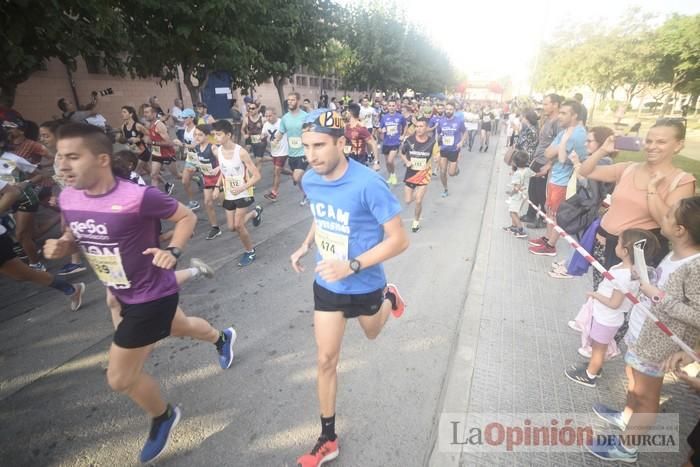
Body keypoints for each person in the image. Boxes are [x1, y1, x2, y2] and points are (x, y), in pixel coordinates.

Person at [45, 123, 237, 464]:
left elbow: (185, 217)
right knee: (183, 327)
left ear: (102, 159)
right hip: (119, 291)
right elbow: (84, 233)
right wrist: (65, 244)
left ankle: (163, 416)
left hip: (151, 296)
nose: (62, 165)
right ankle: (222, 338)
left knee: (119, 377)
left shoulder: (137, 196)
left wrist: (174, 251)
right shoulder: (69, 197)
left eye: (73, 157)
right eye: (59, 157)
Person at [290, 109, 408, 467]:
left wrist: (353, 265)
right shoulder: (310, 179)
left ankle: (390, 296)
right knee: (326, 360)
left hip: (366, 281)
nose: (311, 155)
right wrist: (306, 245)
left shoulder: (369, 183)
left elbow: (400, 240)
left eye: (320, 145)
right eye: (306, 146)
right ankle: (328, 438)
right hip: (327, 282)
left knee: (372, 333)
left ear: (341, 143)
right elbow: (320, 214)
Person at [587, 196, 700, 463]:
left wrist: (657, 294)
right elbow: (662, 285)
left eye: (669, 214)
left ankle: (627, 448)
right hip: (643, 333)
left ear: (680, 229)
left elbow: (697, 314)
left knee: (646, 395)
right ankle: (628, 417)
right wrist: (646, 277)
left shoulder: (695, 266)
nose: (663, 215)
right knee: (633, 380)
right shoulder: (674, 252)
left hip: (659, 344)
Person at [576, 119, 696, 288]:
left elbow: (667, 222)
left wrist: (652, 190)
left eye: (661, 142)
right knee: (601, 295)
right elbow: (585, 170)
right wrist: (603, 149)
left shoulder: (681, 181)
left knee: (624, 306)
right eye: (649, 141)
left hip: (635, 257)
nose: (652, 146)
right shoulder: (629, 168)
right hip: (604, 247)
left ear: (678, 145)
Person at [564, 229, 659, 387]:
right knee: (598, 347)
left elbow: (614, 303)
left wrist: (595, 295)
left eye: (618, 242)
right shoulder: (631, 271)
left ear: (626, 250)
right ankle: (594, 367)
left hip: (607, 318)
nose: (615, 245)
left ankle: (590, 375)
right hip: (606, 316)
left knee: (598, 349)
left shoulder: (624, 275)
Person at [529, 100, 588, 256]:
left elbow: (554, 155)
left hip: (565, 181)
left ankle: (550, 245)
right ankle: (548, 238)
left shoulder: (577, 134)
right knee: (550, 211)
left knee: (556, 214)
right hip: (556, 177)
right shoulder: (565, 132)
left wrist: (556, 149)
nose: (560, 116)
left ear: (575, 115)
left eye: (564, 113)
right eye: (560, 112)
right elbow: (548, 152)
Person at [211, 120, 263, 267]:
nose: (216, 137)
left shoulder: (241, 152)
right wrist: (216, 187)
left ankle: (250, 251)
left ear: (228, 135)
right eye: (215, 134)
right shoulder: (217, 150)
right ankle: (254, 214)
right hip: (229, 192)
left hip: (244, 192)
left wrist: (242, 188)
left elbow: (257, 176)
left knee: (239, 226)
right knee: (231, 227)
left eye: (219, 134)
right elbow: (224, 170)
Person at [39, 120, 86, 276]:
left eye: (46, 135)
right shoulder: (58, 155)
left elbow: (78, 179)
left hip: (79, 200)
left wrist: (65, 199)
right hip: (70, 200)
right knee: (68, 229)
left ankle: (77, 261)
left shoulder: (65, 155)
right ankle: (76, 261)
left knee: (71, 229)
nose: (42, 139)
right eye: (41, 136)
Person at [522, 94, 562, 228]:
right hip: (537, 158)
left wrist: (550, 164)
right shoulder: (547, 119)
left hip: (546, 161)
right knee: (532, 189)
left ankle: (543, 218)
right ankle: (531, 214)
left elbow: (560, 145)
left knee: (540, 192)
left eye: (546, 104)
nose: (543, 107)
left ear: (555, 104)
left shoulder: (558, 122)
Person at [400, 117, 438, 232]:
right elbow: (401, 153)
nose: (419, 129)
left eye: (421, 126)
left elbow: (437, 154)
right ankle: (415, 197)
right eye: (417, 126)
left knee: (418, 200)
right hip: (411, 173)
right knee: (407, 200)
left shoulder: (432, 142)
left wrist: (437, 157)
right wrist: (406, 161)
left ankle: (416, 221)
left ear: (426, 128)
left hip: (423, 174)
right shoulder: (409, 140)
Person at [276, 92, 308, 205]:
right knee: (297, 179)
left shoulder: (305, 116)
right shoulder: (285, 118)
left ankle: (310, 189)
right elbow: (281, 132)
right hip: (292, 153)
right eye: (288, 100)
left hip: (303, 152)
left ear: (298, 101)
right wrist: (275, 140)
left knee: (297, 176)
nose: (290, 102)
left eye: (293, 100)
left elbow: (311, 130)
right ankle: (306, 193)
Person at [143, 104, 179, 195]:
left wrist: (152, 143)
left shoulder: (159, 125)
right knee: (153, 175)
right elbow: (150, 137)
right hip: (157, 154)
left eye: (147, 112)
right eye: (144, 112)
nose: (145, 114)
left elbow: (169, 143)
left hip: (167, 154)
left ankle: (195, 178)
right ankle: (155, 198)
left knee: (178, 175)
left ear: (154, 114)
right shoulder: (148, 125)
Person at [173, 109, 202, 210]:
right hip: (191, 158)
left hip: (200, 158)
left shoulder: (196, 130)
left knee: (211, 181)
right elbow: (187, 144)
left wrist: (182, 144)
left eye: (185, 117)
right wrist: (182, 148)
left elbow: (195, 145)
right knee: (185, 181)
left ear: (192, 118)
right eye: (183, 117)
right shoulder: (185, 128)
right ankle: (192, 202)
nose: (183, 119)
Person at [436, 101, 466, 197]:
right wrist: (438, 146)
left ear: (454, 110)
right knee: (442, 171)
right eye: (447, 109)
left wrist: (461, 142)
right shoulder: (441, 121)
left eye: (451, 109)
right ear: (445, 109)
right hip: (444, 149)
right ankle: (445, 189)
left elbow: (465, 132)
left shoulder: (459, 121)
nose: (448, 111)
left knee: (451, 173)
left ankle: (456, 169)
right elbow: (438, 134)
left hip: (454, 150)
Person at [502, 150, 535, 238]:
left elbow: (517, 187)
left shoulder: (517, 174)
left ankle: (520, 230)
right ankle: (514, 227)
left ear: (515, 163)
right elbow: (534, 175)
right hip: (524, 194)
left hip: (518, 195)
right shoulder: (527, 170)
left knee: (512, 212)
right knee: (515, 211)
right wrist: (542, 174)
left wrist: (511, 193)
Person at [262, 108, 288, 201]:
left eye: (270, 115)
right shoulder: (265, 125)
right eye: (266, 116)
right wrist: (262, 137)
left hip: (284, 151)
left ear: (275, 114)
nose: (268, 118)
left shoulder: (282, 122)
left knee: (277, 171)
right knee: (281, 170)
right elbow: (263, 136)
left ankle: (274, 193)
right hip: (274, 151)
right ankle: (295, 175)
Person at [379, 99, 406, 186]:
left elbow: (405, 126)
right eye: (390, 106)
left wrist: (403, 135)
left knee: (390, 161)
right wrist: (381, 130)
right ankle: (391, 175)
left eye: (393, 106)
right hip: (386, 142)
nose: (391, 107)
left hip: (395, 142)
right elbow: (380, 128)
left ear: (396, 107)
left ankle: (393, 175)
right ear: (387, 107)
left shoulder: (400, 117)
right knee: (387, 162)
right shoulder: (384, 117)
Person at [344, 103, 379, 167]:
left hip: (359, 160)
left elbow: (373, 143)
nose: (345, 114)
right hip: (348, 160)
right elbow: (347, 142)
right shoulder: (347, 126)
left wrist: (376, 162)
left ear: (350, 113)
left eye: (347, 112)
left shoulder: (361, 128)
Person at [241, 101, 266, 170]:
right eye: (249, 108)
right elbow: (242, 129)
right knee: (257, 159)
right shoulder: (246, 119)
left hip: (261, 142)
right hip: (251, 139)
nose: (250, 110)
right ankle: (272, 158)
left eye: (253, 108)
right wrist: (244, 134)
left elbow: (268, 129)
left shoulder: (263, 119)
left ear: (257, 109)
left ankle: (250, 170)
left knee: (258, 160)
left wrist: (264, 134)